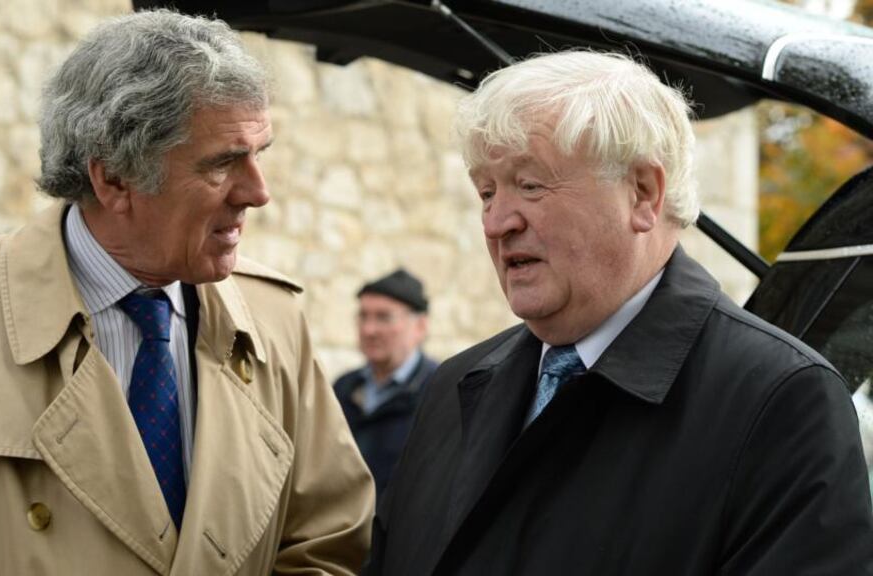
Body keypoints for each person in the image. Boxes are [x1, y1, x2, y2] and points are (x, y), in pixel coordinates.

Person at [0, 10, 373, 576]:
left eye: (258, 154)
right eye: (223, 163)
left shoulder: (275, 320)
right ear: (114, 179)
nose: (258, 192)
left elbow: (329, 544)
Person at [367, 51, 873, 575]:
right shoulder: (455, 387)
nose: (497, 223)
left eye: (531, 184)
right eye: (487, 192)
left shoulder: (780, 399)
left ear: (643, 194)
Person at [333, 269, 439, 497]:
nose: (368, 330)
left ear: (420, 326)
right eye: (363, 316)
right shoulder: (343, 388)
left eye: (383, 317)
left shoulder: (439, 391)